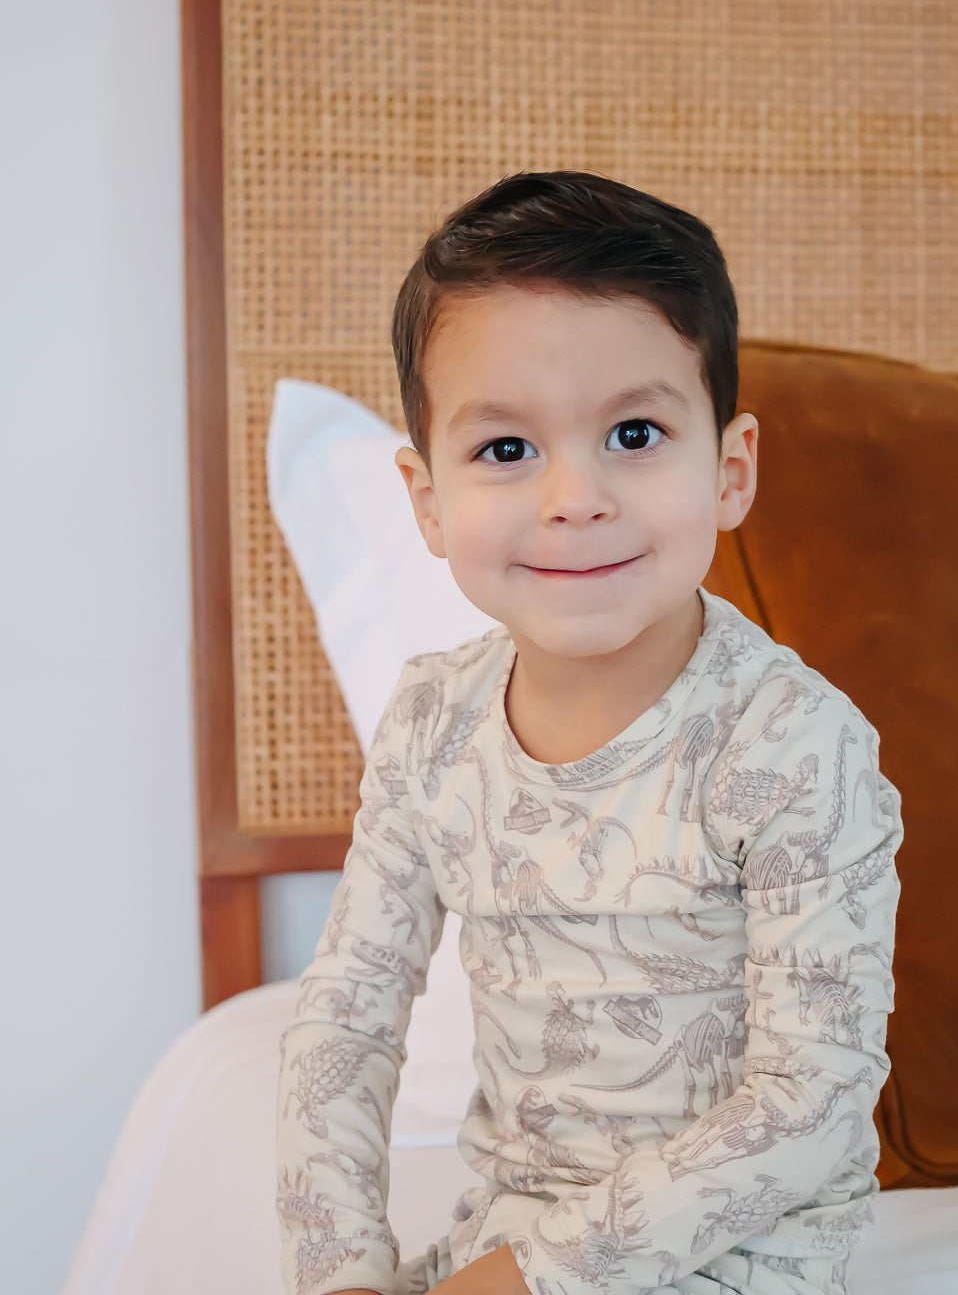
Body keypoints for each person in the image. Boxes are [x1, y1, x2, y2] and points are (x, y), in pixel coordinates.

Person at [276, 171, 902, 1295]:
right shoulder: (431, 727)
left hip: (742, 1254)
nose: (576, 497)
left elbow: (811, 1102)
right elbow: (345, 1024)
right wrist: (344, 1272)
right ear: (427, 501)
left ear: (730, 471)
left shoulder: (794, 746)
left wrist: (526, 1278)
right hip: (507, 1232)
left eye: (634, 432)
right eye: (506, 450)